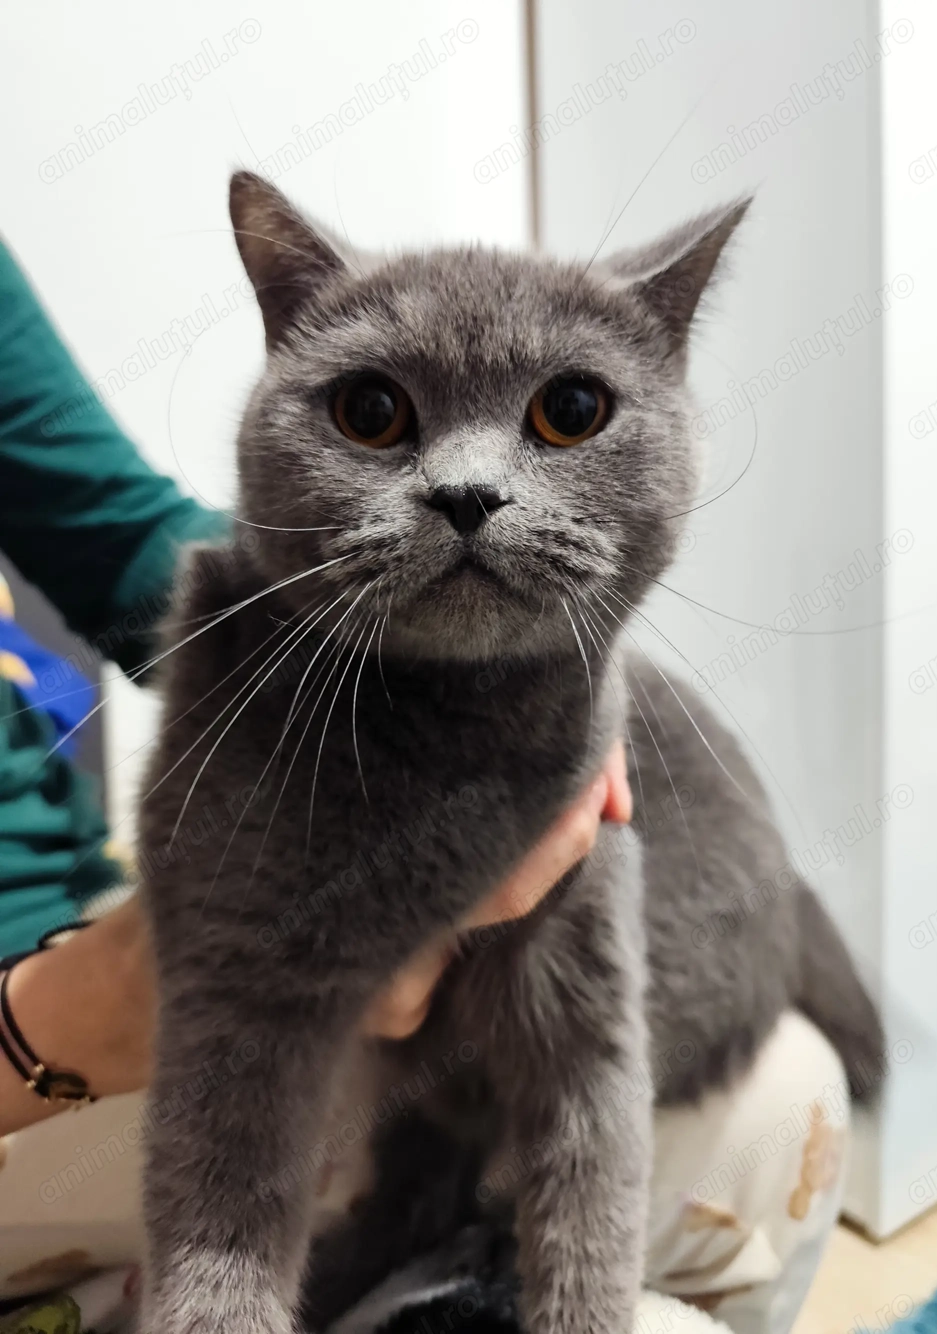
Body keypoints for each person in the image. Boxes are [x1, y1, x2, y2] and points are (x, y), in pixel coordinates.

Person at [0, 237, 852, 1334]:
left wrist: (407, 632)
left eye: (569, 410)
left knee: (787, 1098)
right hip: (45, 1047)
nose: (466, 482)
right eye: (370, 412)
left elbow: (122, 533)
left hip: (76, 920)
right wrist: (68, 1018)